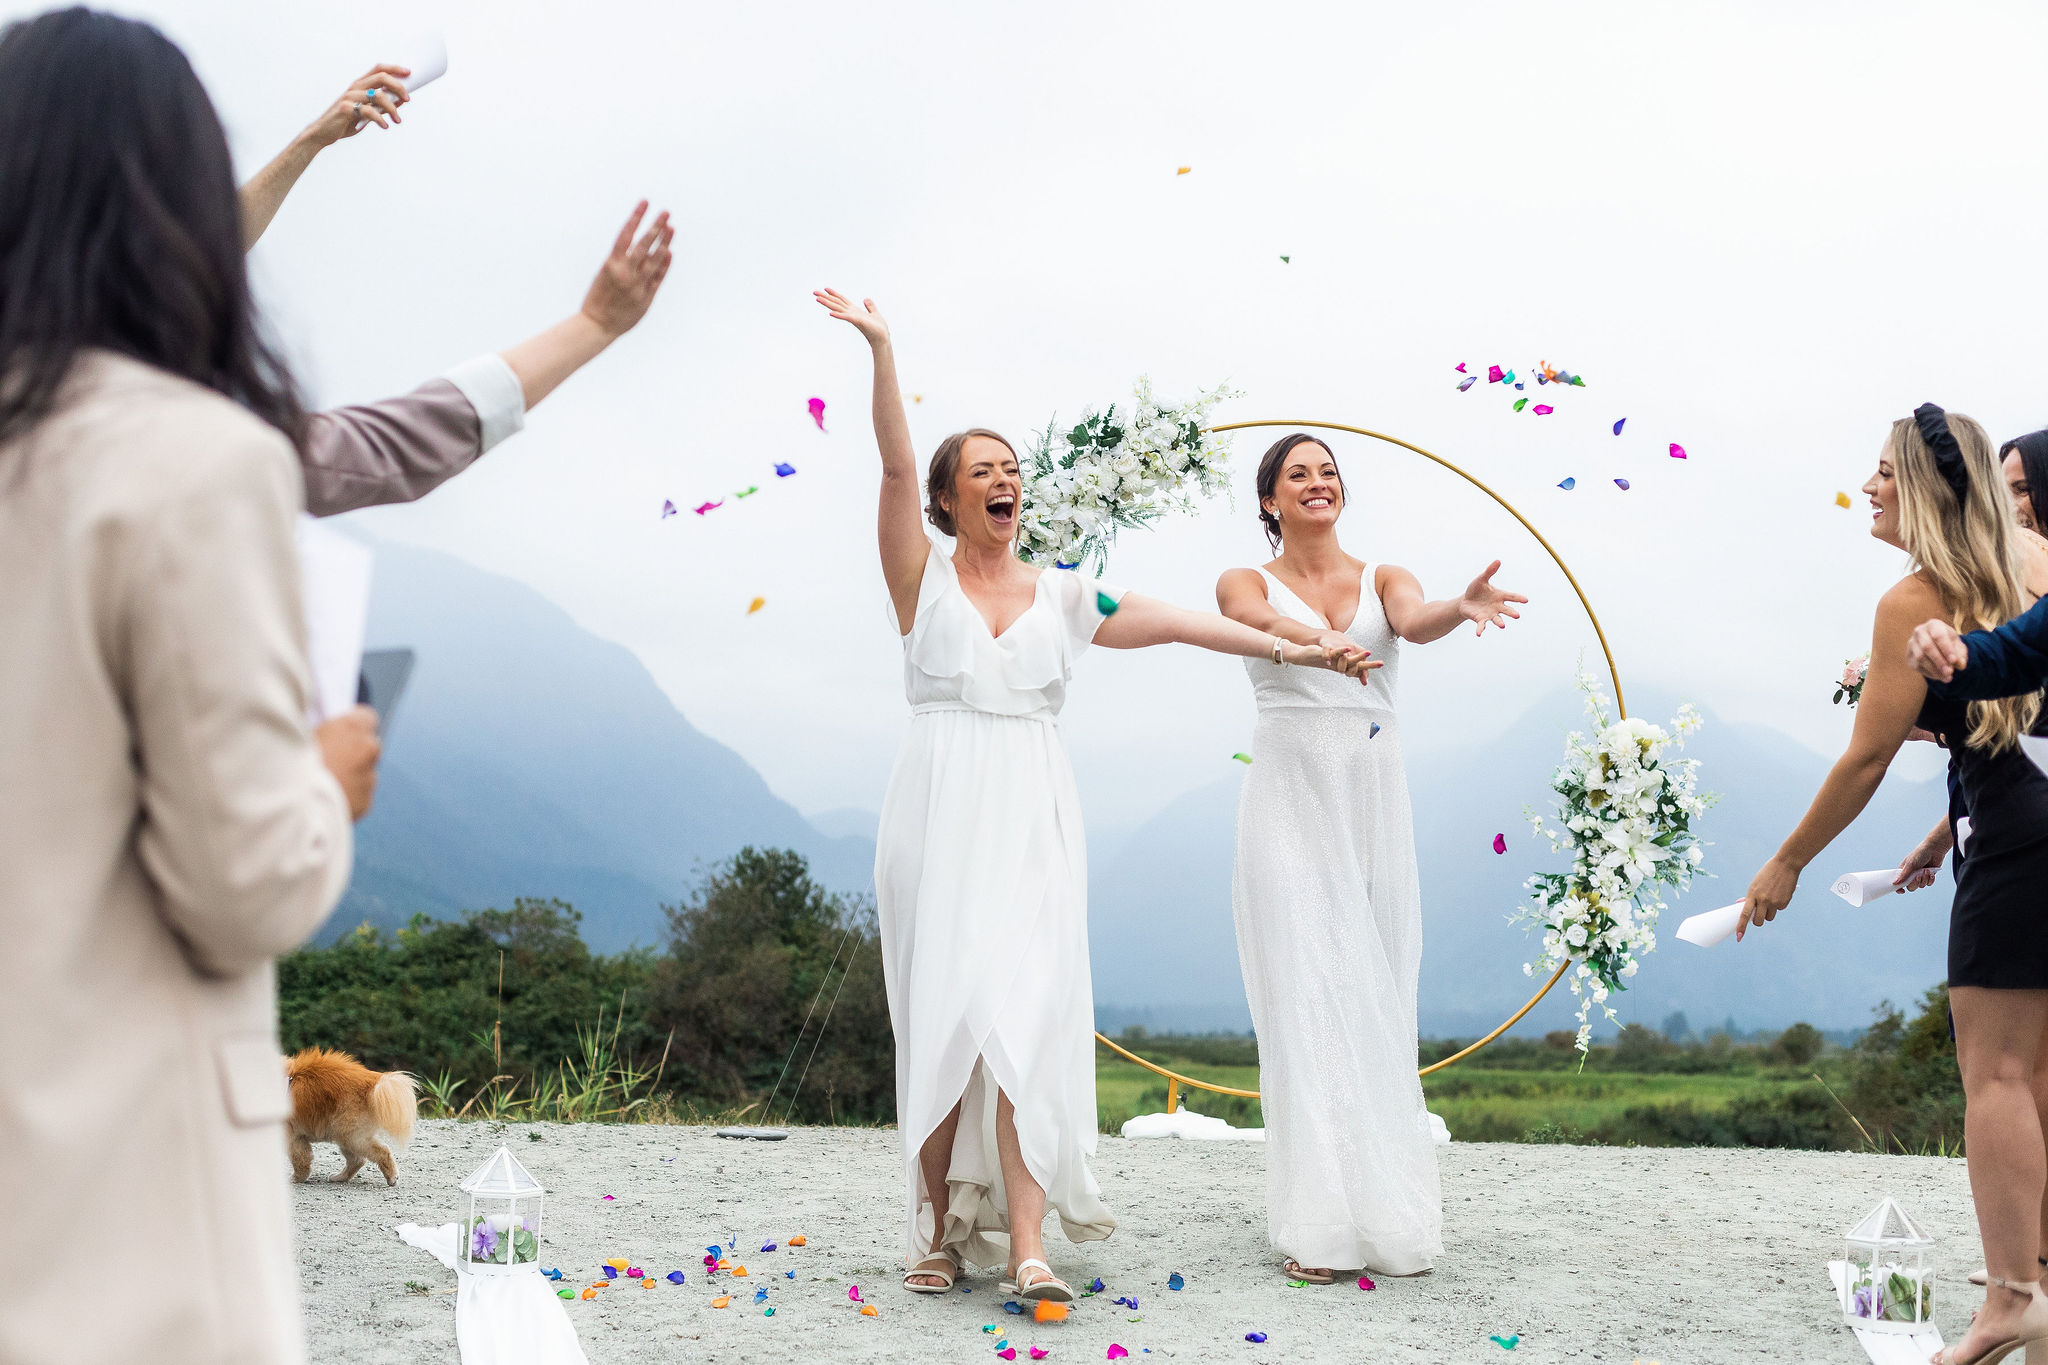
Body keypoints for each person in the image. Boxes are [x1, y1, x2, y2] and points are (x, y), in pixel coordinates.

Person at [816, 289, 1374, 1302]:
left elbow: (1180, 624)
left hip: (1031, 811)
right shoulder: (919, 581)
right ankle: (936, 1234)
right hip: (936, 808)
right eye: (980, 471)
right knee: (943, 1022)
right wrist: (883, 347)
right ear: (947, 502)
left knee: (1028, 1019)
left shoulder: (1068, 596)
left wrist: (1297, 645)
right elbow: (894, 463)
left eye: (1010, 472)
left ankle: (1030, 1245)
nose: (1003, 482)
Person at [0, 11, 372, 1365]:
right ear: (174, 218)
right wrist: (324, 788)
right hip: (117, 1216)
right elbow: (242, 883)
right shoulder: (191, 461)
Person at [1736, 405, 2048, 1365]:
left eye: (1881, 471)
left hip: (2013, 850)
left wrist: (1787, 858)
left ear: (1922, 485)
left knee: (1998, 1075)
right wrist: (1935, 833)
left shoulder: (1915, 599)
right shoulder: (2041, 557)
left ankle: (2011, 1298)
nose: (1868, 487)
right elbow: (2021, 727)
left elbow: (1867, 757)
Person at [1215, 432, 1524, 1284]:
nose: (1318, 483)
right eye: (1297, 475)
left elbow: (1412, 621)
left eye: (1328, 473)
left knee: (1372, 985)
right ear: (1271, 499)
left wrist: (1459, 608)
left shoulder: (1386, 574)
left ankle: (1384, 1209)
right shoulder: (1244, 578)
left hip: (1368, 788)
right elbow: (1254, 621)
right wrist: (1313, 644)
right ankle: (1318, 1220)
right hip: (1286, 787)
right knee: (1305, 984)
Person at [238, 65, 675, 515]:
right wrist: (595, 326)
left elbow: (187, 256)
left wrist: (312, 140)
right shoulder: (233, 455)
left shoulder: (218, 443)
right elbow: (398, 445)